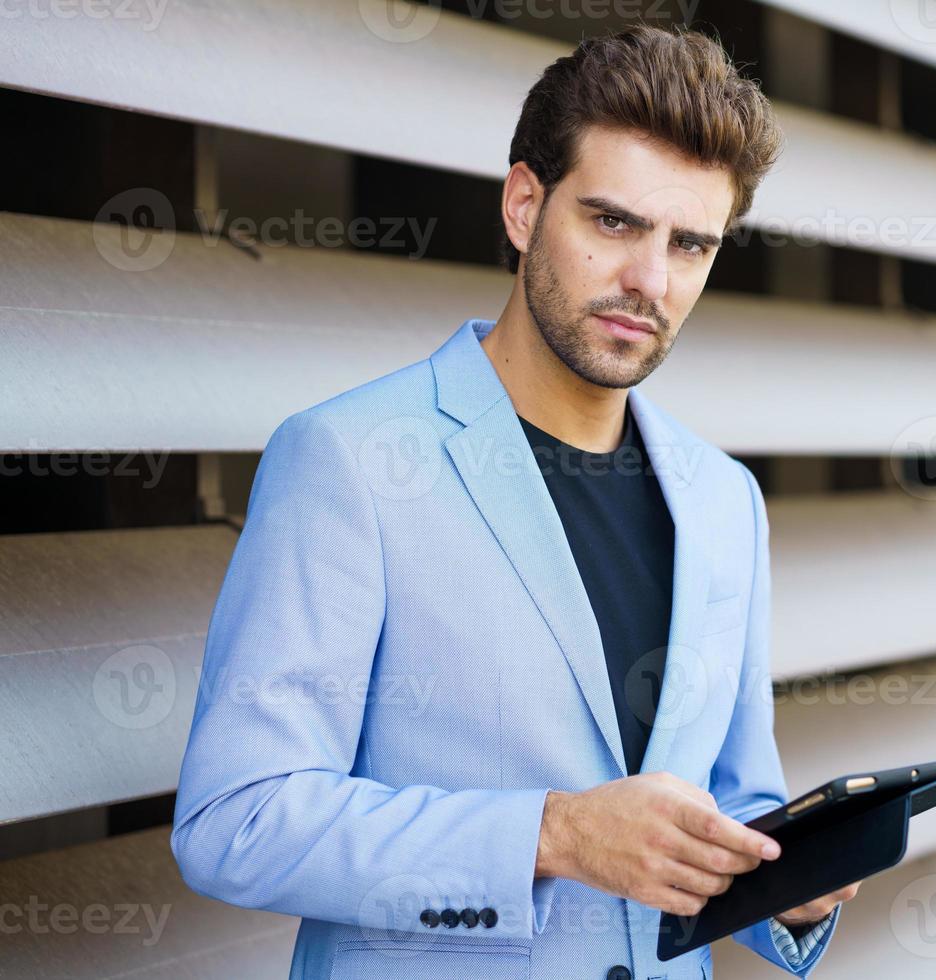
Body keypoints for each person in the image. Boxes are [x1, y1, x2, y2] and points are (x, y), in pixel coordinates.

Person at [171, 23, 859, 980]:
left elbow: (730, 801)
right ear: (525, 206)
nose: (649, 282)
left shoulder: (725, 501)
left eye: (690, 243)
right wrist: (557, 836)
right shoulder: (349, 462)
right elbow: (236, 820)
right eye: (614, 223)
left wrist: (789, 874)